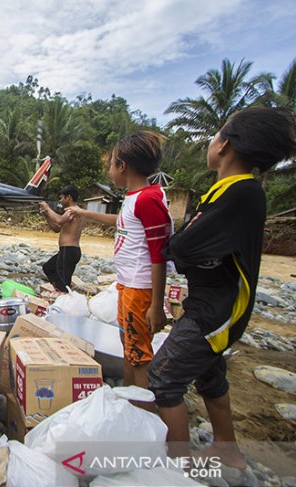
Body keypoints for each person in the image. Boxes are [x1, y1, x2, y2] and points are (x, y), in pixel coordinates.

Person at [147, 108, 296, 468]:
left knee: (163, 377)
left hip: (218, 309)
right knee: (208, 372)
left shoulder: (243, 194)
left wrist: (180, 248)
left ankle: (178, 466)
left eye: (215, 135)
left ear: (226, 144)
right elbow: (192, 245)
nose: (211, 142)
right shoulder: (227, 191)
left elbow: (183, 247)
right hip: (210, 301)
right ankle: (227, 449)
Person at [67, 131, 172, 392]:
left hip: (140, 288)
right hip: (126, 285)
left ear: (122, 166)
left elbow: (159, 254)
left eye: (111, 163)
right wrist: (85, 213)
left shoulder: (149, 199)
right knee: (129, 345)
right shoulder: (134, 196)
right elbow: (123, 222)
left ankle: (143, 408)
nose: (109, 170)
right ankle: (128, 397)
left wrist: (157, 305)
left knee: (139, 354)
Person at [38, 185, 84, 292]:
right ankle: (61, 290)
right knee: (48, 268)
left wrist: (48, 208)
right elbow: (57, 228)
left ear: (68, 198)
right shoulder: (70, 212)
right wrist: (46, 215)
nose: (60, 200)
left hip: (68, 250)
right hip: (68, 251)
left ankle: (64, 295)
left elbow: (59, 220)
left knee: (63, 281)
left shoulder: (73, 211)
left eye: (61, 198)